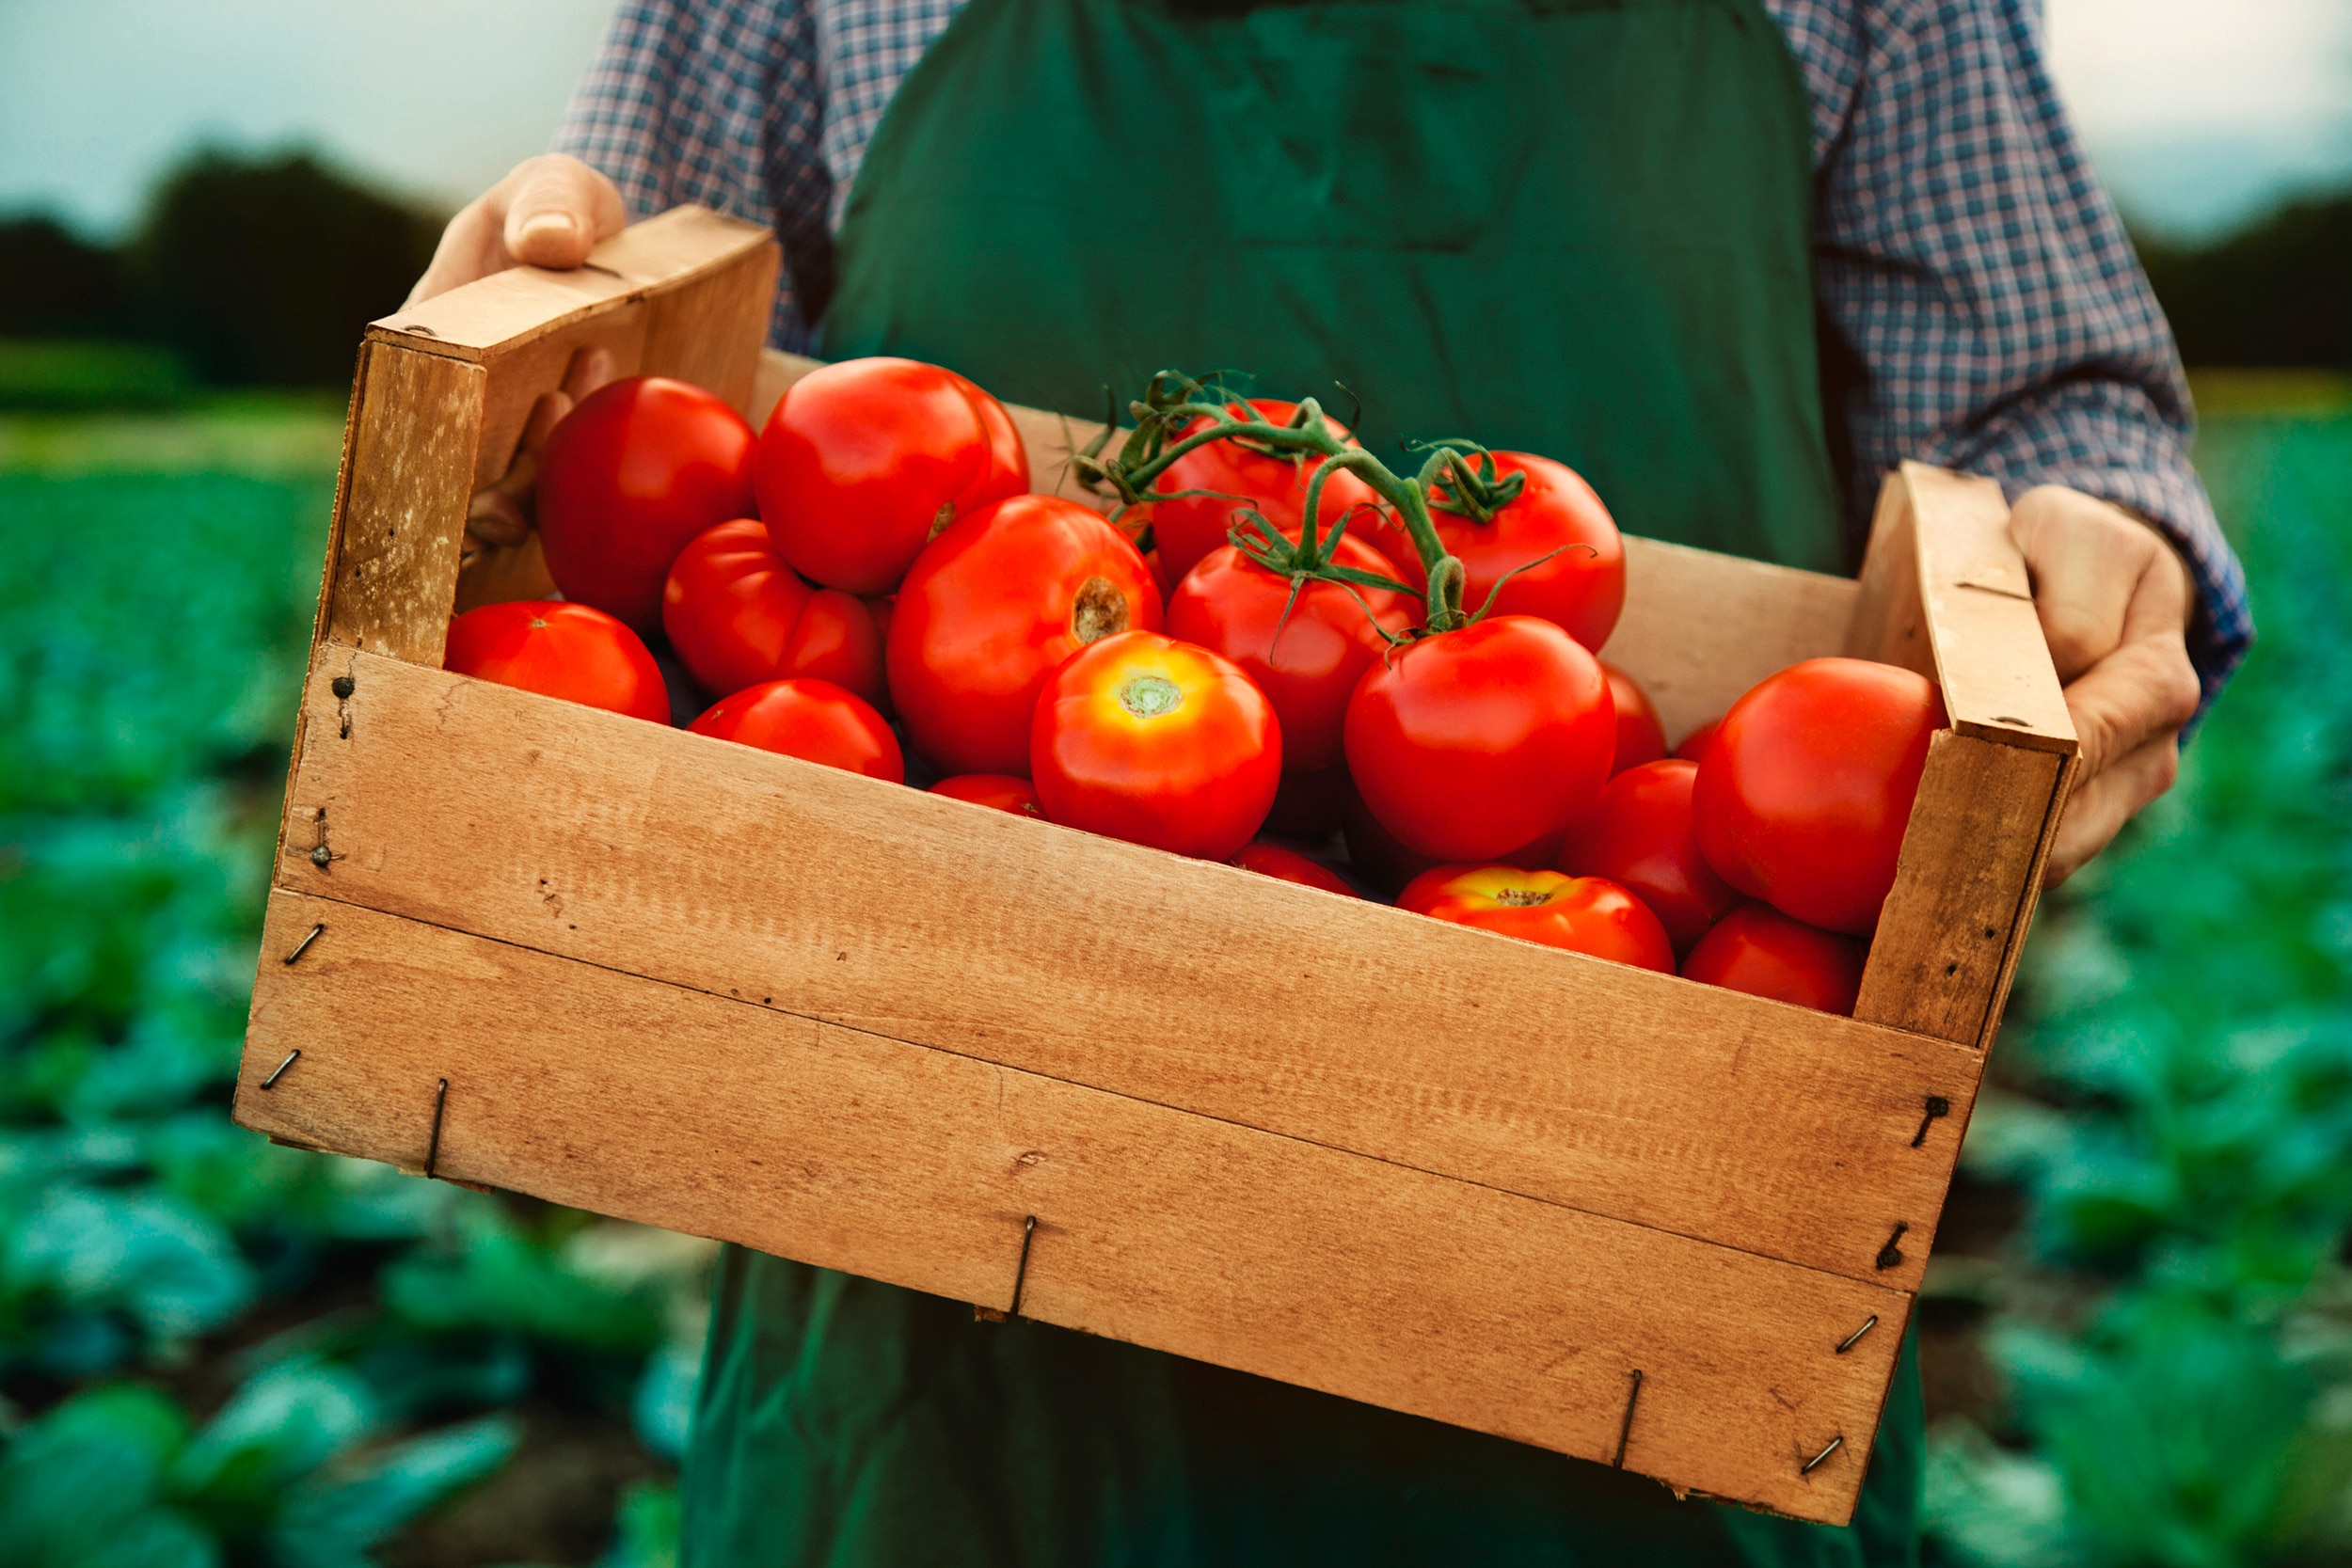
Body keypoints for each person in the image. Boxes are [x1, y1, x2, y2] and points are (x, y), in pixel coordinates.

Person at [411, 2, 2249, 1561]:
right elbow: (651, 330)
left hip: (1661, 1290)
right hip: (928, 1333)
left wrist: (2098, 537)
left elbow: (2042, 405)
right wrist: (550, 296)